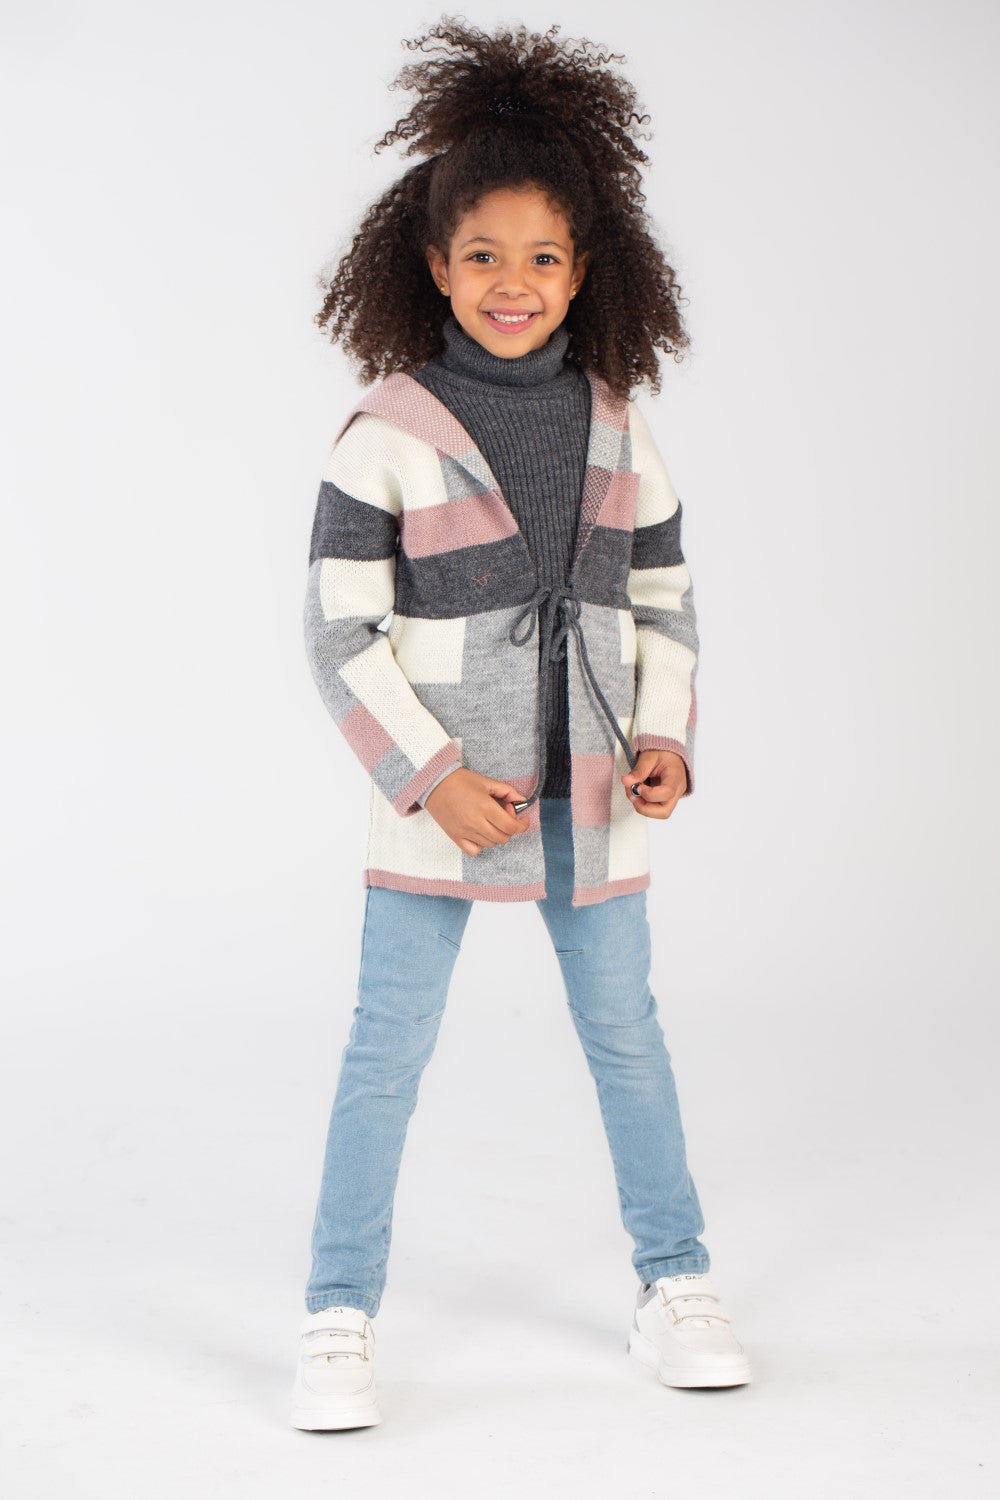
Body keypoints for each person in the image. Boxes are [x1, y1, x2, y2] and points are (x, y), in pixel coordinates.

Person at [290, 17, 752, 1432]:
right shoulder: (386, 430)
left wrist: (664, 734)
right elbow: (338, 631)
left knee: (628, 1036)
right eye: (483, 255)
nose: (513, 282)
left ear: (585, 271)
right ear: (433, 265)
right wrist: (430, 776)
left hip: (593, 799)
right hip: (444, 800)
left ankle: (675, 1279)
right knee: (386, 1050)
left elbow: (662, 598)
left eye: (543, 258)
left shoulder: (619, 424)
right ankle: (337, 1310)